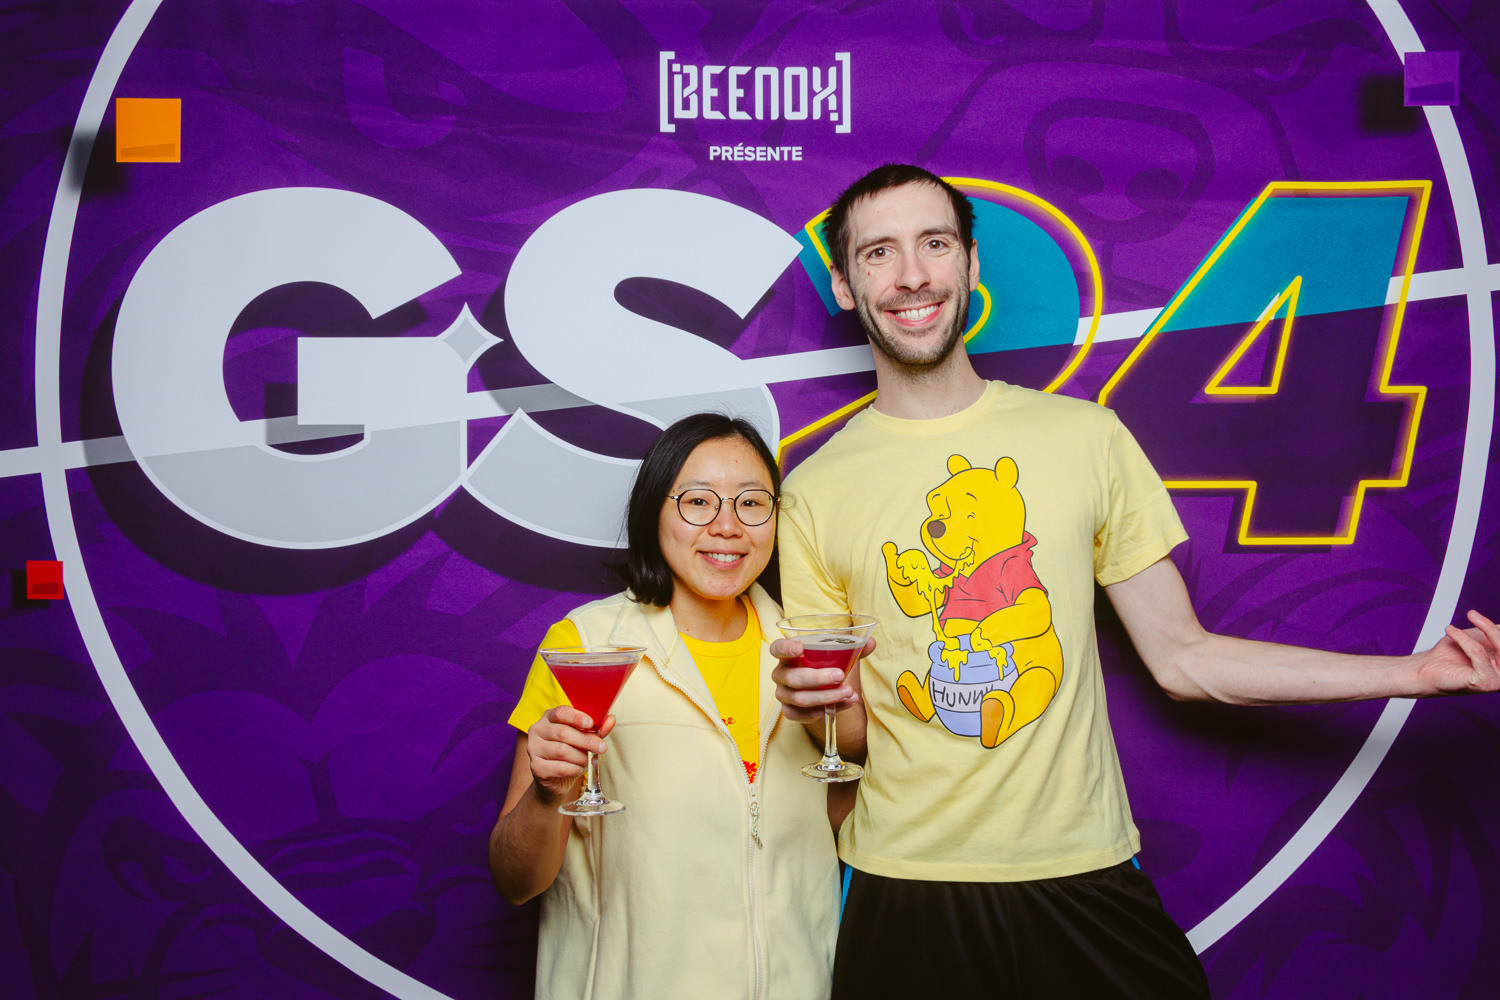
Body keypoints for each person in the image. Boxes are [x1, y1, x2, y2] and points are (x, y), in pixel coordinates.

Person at [771, 163, 1500, 998]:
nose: (910, 275)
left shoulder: (1086, 438)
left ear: (970, 265)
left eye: (934, 244)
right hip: (904, 881)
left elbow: (1185, 659)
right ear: (844, 284)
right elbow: (853, 740)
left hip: (1080, 866)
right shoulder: (814, 491)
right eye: (878, 253)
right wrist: (820, 707)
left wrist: (1416, 673)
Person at [489, 412, 839, 1000]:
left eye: (752, 503)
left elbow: (843, 831)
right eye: (698, 502)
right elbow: (514, 881)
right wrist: (549, 794)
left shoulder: (810, 655)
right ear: (654, 511)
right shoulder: (586, 647)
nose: (727, 526)